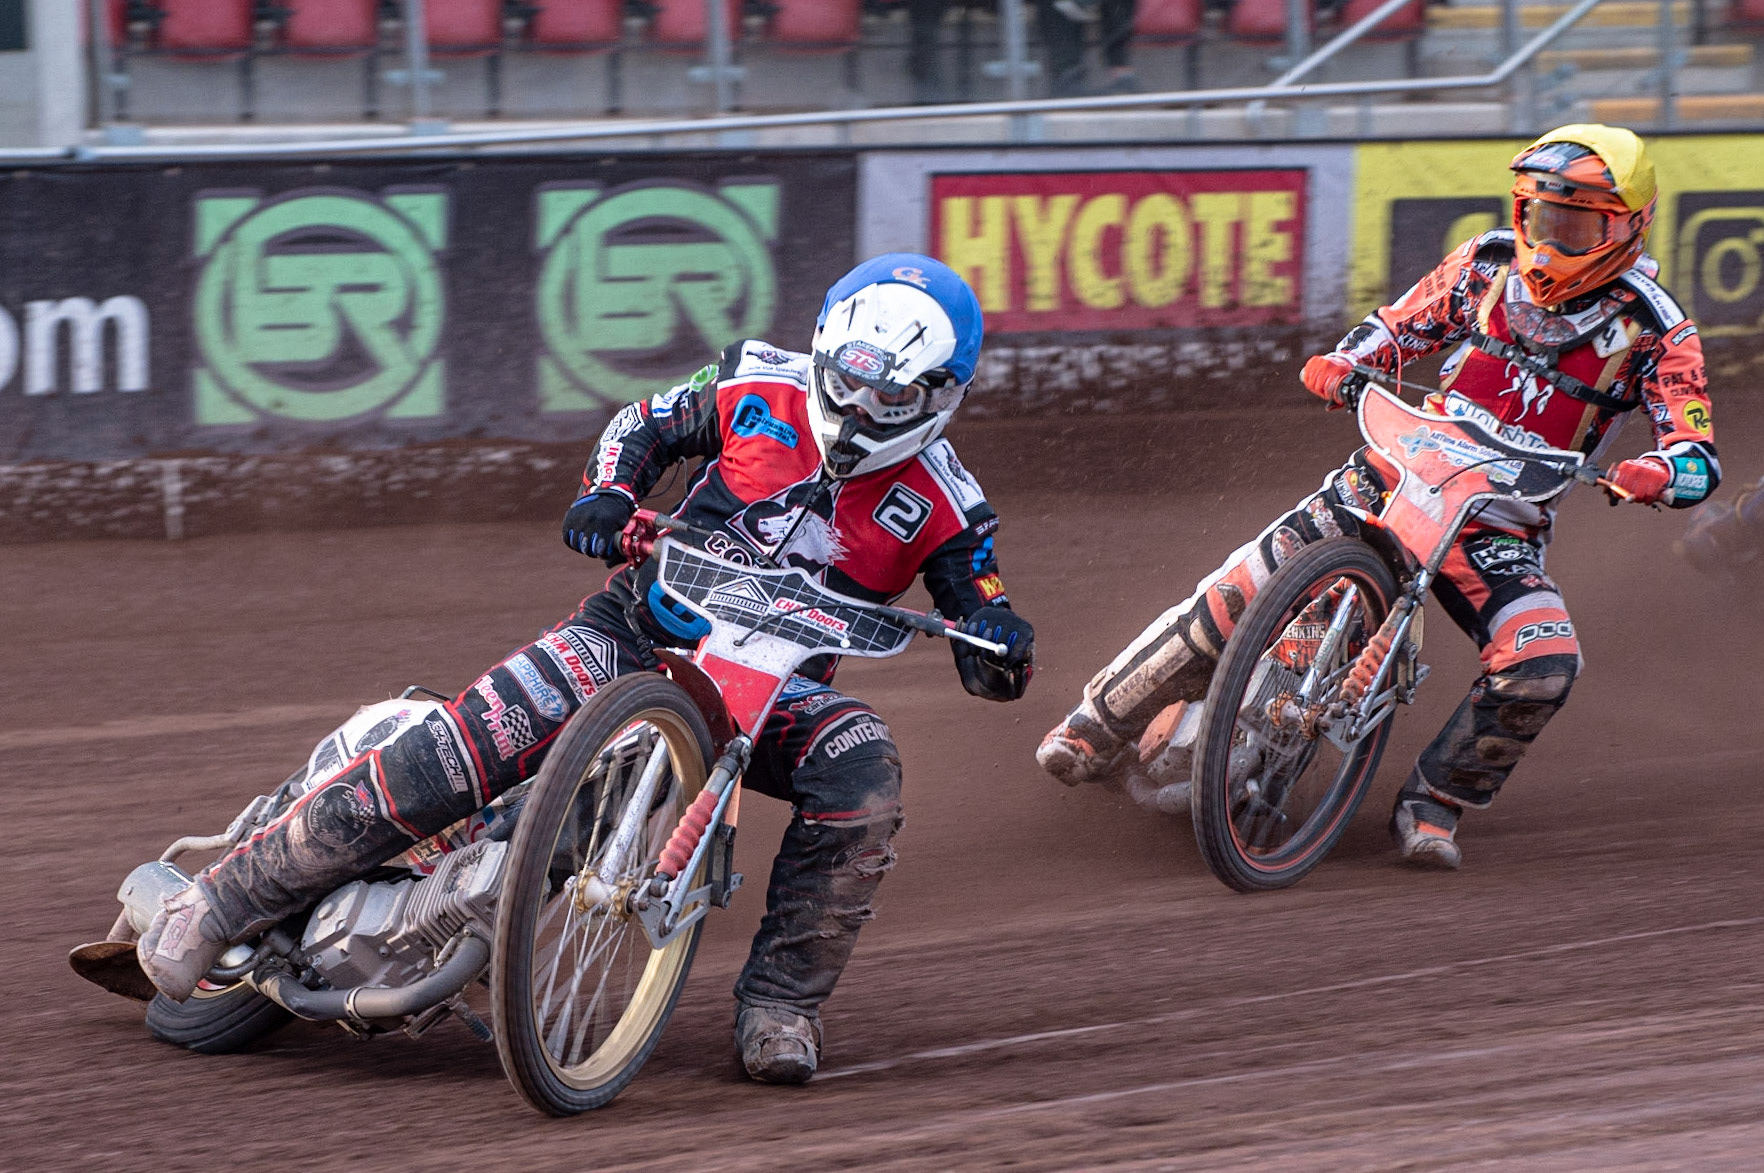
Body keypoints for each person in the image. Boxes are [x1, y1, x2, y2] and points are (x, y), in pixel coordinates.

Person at [135, 253, 1035, 1084]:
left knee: (864, 767)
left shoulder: (952, 506)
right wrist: (608, 493)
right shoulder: (756, 379)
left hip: (771, 695)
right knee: (462, 746)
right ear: (825, 348)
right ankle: (220, 902)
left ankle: (781, 1006)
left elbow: (985, 634)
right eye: (846, 379)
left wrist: (999, 639)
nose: (860, 406)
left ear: (940, 396)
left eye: (890, 396)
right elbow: (642, 424)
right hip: (634, 630)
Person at [1038, 124, 1716, 869]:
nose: (1551, 241)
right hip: (1392, 473)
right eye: (1541, 216)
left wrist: (1662, 473)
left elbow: (1697, 454)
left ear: (1629, 225)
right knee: (1242, 587)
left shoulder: (1658, 329)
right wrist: (1342, 362)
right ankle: (1096, 723)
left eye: (1577, 226)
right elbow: (1398, 328)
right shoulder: (1486, 263)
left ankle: (1435, 803)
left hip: (1495, 528)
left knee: (1543, 661)